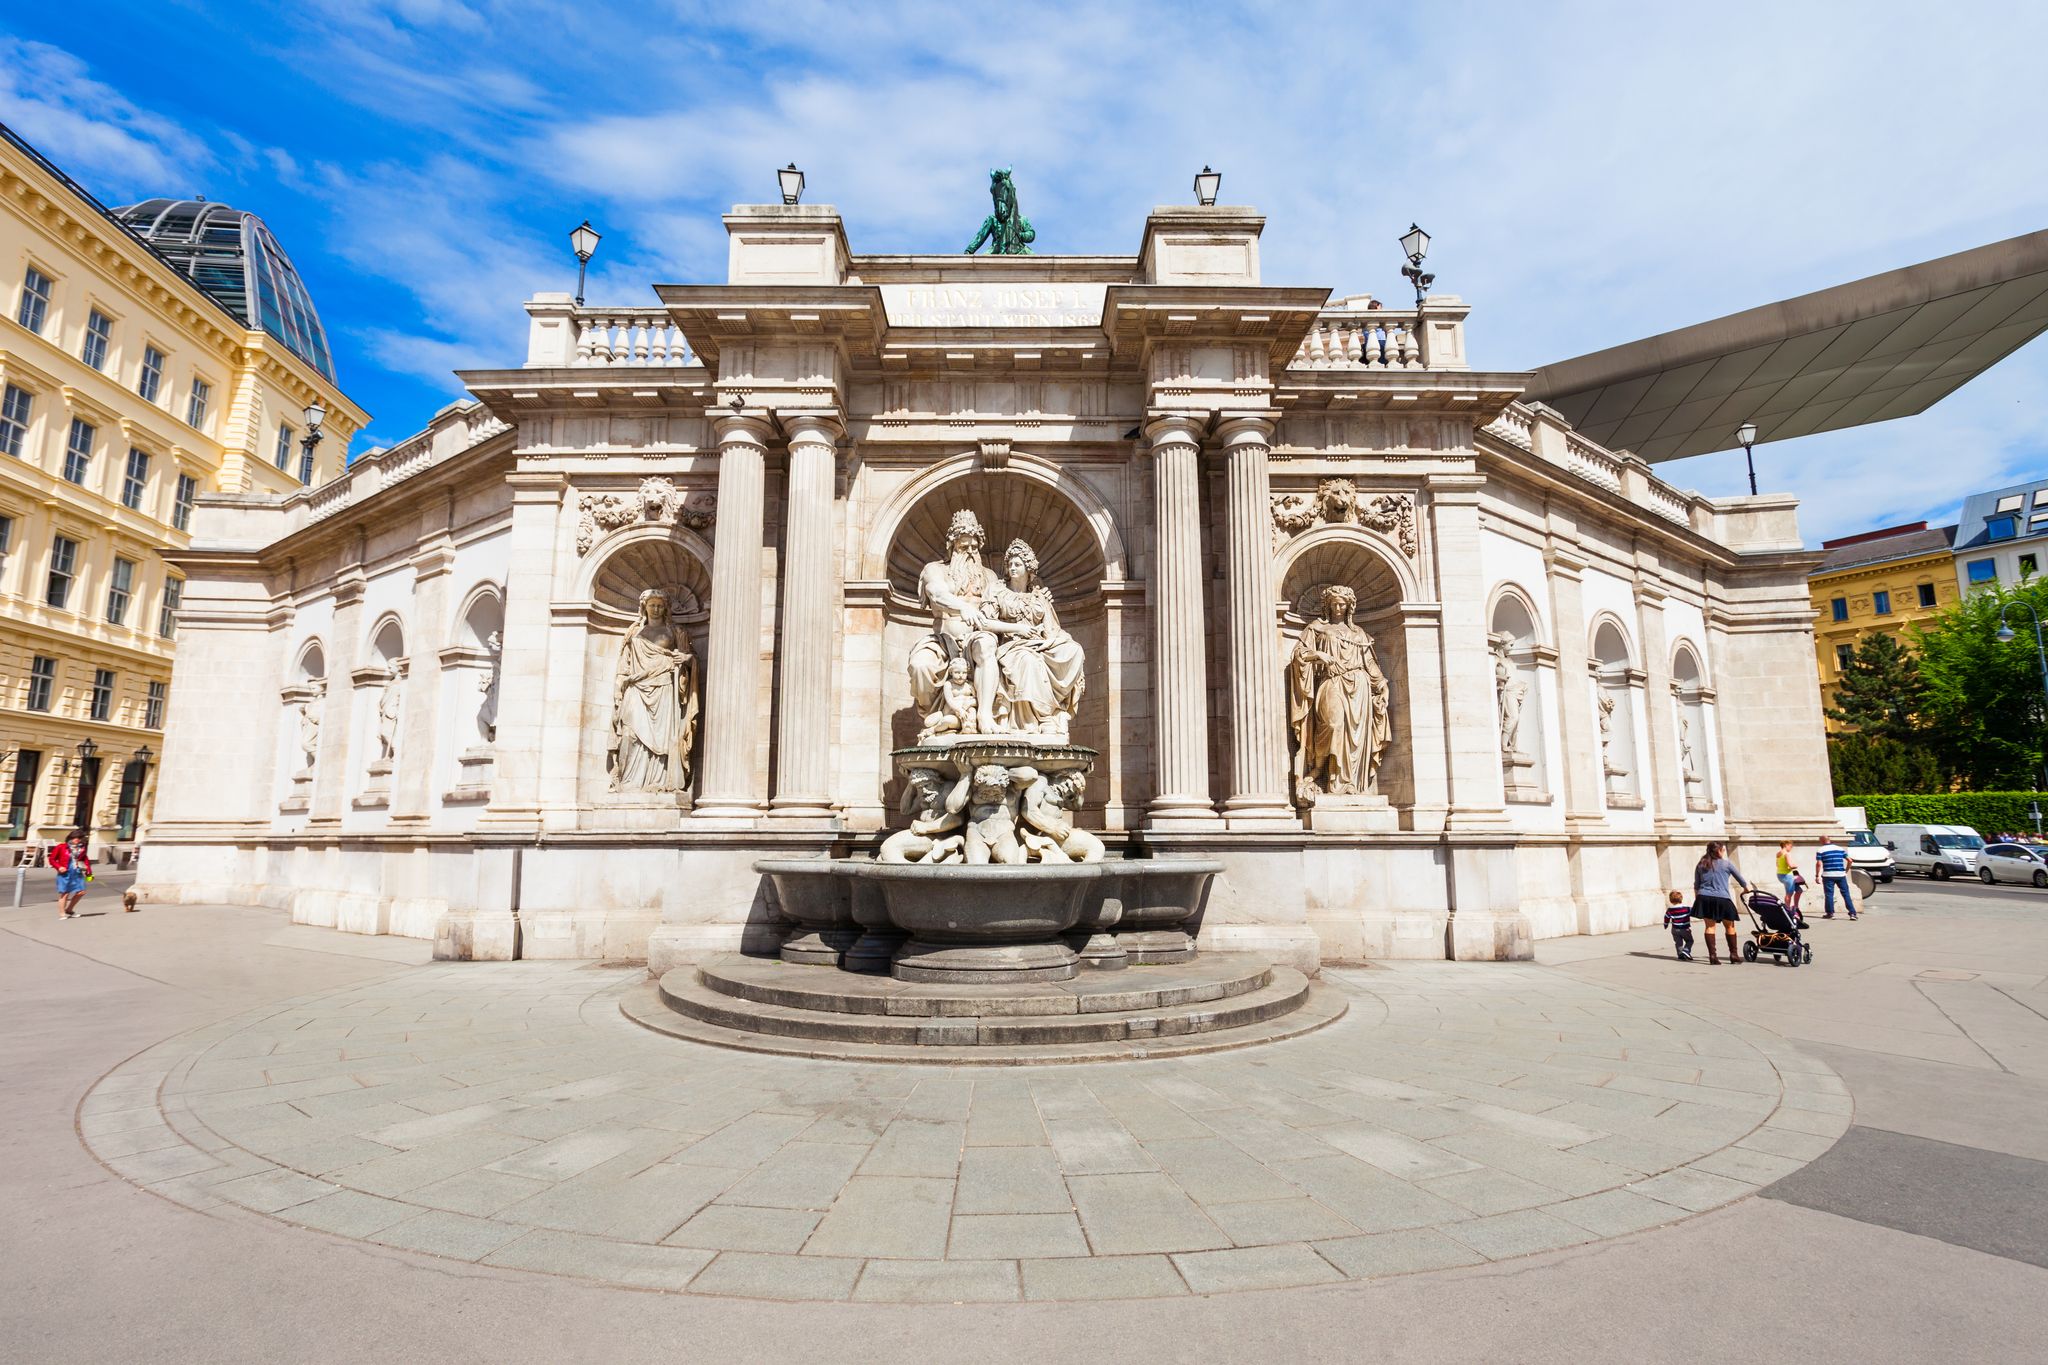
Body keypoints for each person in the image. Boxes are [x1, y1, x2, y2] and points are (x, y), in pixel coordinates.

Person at [1692, 841, 1749, 964]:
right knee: (1729, 926)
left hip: (1704, 897)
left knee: (1710, 927)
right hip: (1722, 898)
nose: (1723, 852)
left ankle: (1713, 956)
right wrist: (1746, 889)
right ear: (1718, 851)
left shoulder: (1701, 864)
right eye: (1723, 850)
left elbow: (1696, 885)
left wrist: (1698, 899)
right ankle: (1733, 954)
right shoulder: (1726, 864)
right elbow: (1741, 879)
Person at [49, 829, 92, 919]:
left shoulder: (82, 848)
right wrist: (59, 867)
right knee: (65, 893)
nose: (77, 839)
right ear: (70, 837)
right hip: (65, 873)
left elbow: (85, 859)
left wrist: (89, 872)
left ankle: (69, 909)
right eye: (75, 837)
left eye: (79, 838)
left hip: (77, 872)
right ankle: (62, 913)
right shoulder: (61, 847)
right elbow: (52, 859)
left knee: (81, 892)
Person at [1814, 835, 1858, 920]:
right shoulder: (1840, 849)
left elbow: (1819, 864)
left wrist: (1817, 875)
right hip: (1841, 875)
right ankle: (1852, 913)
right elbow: (1850, 860)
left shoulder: (1820, 850)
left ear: (1822, 841)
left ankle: (1830, 913)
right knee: (1846, 894)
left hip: (1828, 875)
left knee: (1829, 894)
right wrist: (1846, 870)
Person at [1662, 890, 1695, 962]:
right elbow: (1695, 911)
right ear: (1681, 898)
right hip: (1685, 929)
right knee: (1690, 941)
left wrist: (1666, 925)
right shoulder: (1687, 908)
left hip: (1675, 929)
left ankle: (1680, 955)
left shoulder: (1670, 910)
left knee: (1678, 943)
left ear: (1670, 900)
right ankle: (1686, 951)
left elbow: (1666, 917)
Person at [1776, 840, 1799, 907]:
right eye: (1791, 846)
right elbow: (1791, 865)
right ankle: (1787, 909)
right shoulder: (1787, 854)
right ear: (1786, 845)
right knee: (1789, 894)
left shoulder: (1778, 854)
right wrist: (1796, 865)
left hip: (1780, 874)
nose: (1791, 848)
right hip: (1787, 875)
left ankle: (1790, 907)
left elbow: (1777, 865)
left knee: (1796, 891)